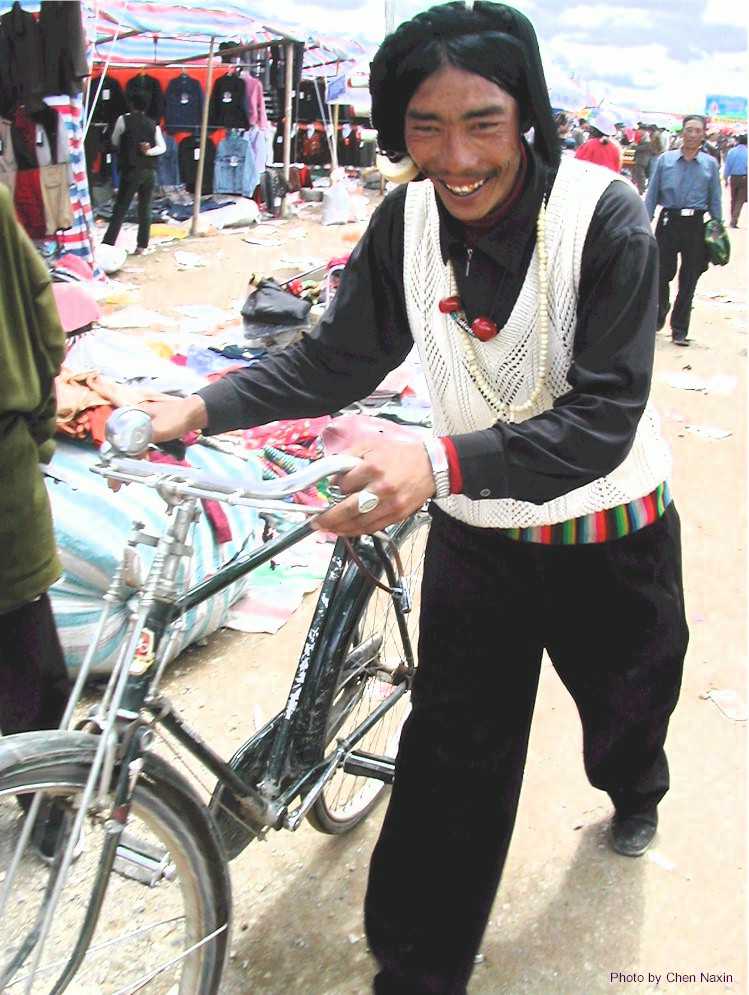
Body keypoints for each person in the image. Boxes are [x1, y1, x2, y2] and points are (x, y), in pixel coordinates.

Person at [137, 4, 688, 991]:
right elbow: (332, 360)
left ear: (526, 113)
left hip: (608, 528)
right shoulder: (405, 221)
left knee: (625, 697)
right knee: (450, 755)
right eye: (425, 127)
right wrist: (197, 406)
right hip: (480, 542)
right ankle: (417, 966)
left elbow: (605, 414)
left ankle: (632, 782)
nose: (456, 154)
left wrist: (433, 462)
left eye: (481, 120)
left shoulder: (603, 218)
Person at [0, 184, 70, 745]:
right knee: (24, 642)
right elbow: (45, 323)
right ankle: (49, 803)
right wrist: (39, 433)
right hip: (8, 462)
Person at [645, 113, 723, 346]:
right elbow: (652, 194)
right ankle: (660, 312)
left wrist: (718, 231)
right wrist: (643, 222)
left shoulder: (710, 164)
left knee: (689, 279)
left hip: (696, 227)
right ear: (682, 132)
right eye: (689, 129)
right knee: (660, 274)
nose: (692, 134)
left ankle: (679, 329)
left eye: (697, 131)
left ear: (703, 135)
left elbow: (715, 199)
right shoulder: (665, 161)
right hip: (668, 223)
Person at [102, 90, 165, 254]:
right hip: (149, 171)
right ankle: (142, 245)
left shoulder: (123, 120)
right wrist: (148, 152)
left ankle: (108, 243)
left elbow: (115, 140)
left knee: (121, 208)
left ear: (131, 104)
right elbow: (162, 147)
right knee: (145, 209)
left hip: (131, 170)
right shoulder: (153, 124)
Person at [723, 133, 747, 228]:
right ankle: (734, 220)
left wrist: (725, 178)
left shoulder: (731, 152)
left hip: (733, 177)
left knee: (733, 199)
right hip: (744, 178)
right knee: (740, 200)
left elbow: (727, 166)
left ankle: (732, 218)